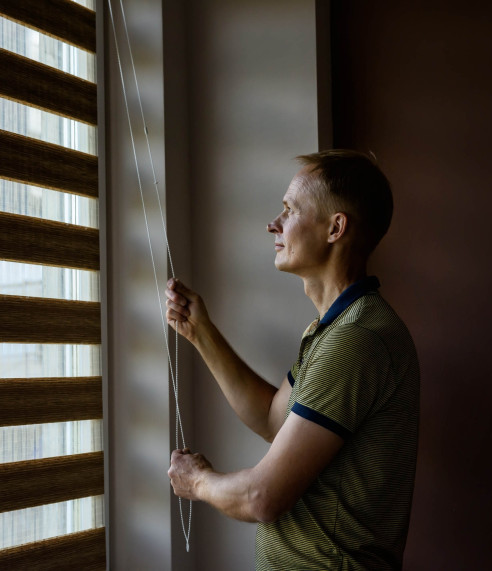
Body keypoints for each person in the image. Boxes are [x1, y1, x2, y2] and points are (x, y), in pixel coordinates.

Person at [165, 150, 420, 570]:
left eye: (289, 210)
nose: (273, 224)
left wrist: (198, 482)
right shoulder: (333, 330)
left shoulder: (356, 340)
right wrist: (200, 332)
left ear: (335, 228)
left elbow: (261, 497)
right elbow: (272, 417)